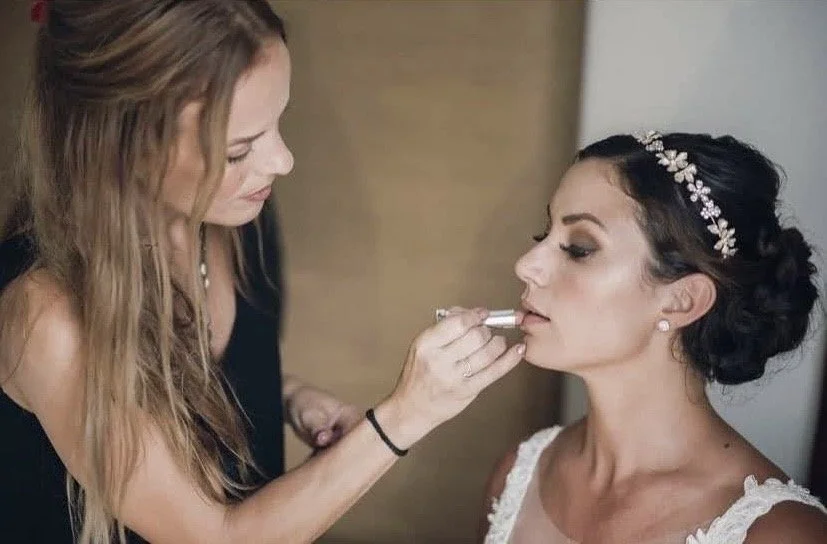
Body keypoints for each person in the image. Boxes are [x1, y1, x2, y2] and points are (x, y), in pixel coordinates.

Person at [0, 2, 526, 543]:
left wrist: (287, 395)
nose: (282, 161)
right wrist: (407, 414)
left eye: (279, 121)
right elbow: (216, 537)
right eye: (238, 151)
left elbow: (185, 380)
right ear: (127, 148)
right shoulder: (47, 318)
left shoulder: (238, 219)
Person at [480, 131, 827, 543]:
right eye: (545, 235)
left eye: (578, 248)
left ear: (682, 301)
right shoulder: (518, 475)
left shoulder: (780, 534)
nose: (526, 265)